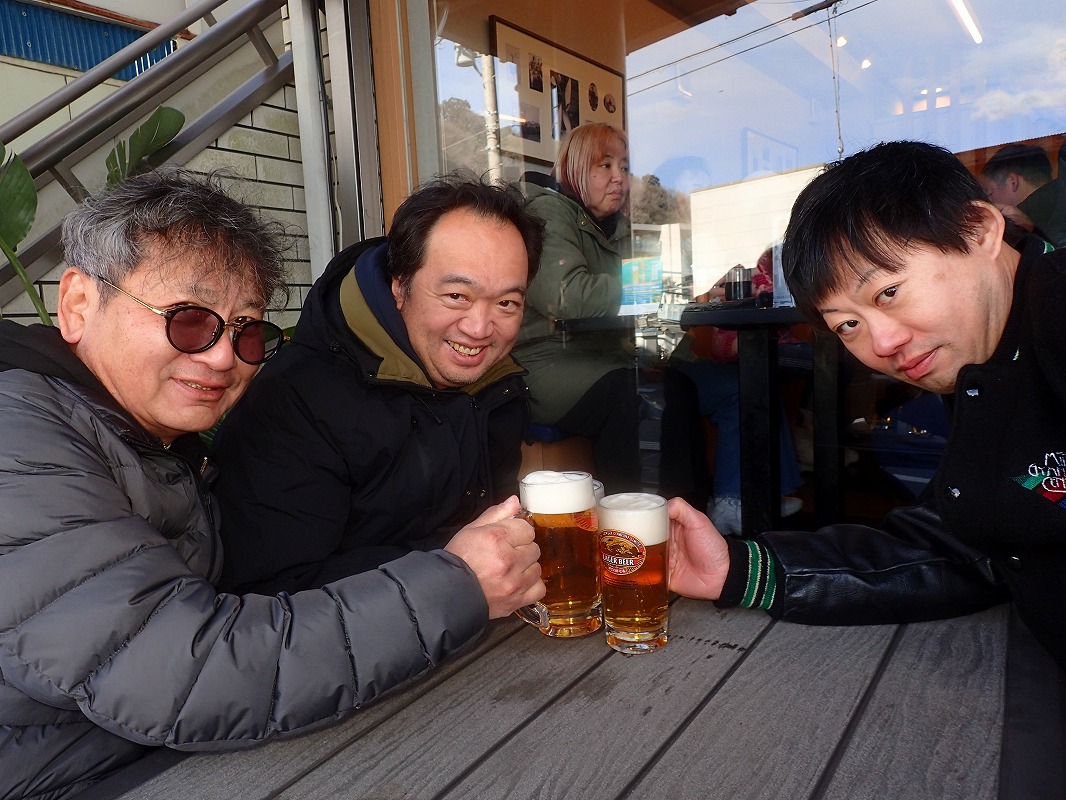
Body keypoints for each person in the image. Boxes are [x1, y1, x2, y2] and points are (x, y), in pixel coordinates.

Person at [0, 170, 544, 799]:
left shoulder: (144, 442)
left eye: (246, 331)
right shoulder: (21, 441)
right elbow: (188, 675)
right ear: (77, 304)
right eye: (188, 320)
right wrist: (456, 582)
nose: (222, 357)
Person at [666, 140, 1066, 674]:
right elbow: (965, 546)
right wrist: (740, 570)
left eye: (888, 293)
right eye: (847, 325)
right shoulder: (987, 364)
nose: (882, 343)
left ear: (979, 231)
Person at [211, 173, 546, 593]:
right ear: (399, 287)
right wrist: (449, 576)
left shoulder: (495, 386)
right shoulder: (295, 404)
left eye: (507, 303)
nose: (479, 328)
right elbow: (271, 594)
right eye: (457, 296)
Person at [515, 122, 642, 493]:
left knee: (675, 385)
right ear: (576, 168)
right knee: (628, 391)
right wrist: (648, 290)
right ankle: (627, 515)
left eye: (624, 167)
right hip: (544, 363)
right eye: (605, 165)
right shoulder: (547, 212)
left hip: (595, 357)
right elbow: (567, 296)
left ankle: (685, 509)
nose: (619, 177)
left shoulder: (613, 227)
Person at [660, 247, 806, 533]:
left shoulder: (766, 259)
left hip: (678, 359)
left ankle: (767, 492)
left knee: (756, 380)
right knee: (740, 385)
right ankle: (728, 501)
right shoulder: (746, 262)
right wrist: (696, 293)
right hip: (654, 363)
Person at [980, 142, 1066, 249]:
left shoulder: (1056, 222)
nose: (990, 202)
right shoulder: (1055, 207)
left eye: (989, 193)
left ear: (1013, 182)